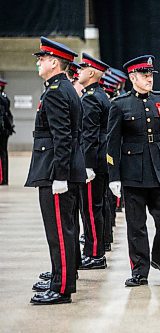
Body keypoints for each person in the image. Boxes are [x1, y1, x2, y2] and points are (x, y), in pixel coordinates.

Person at [107, 55, 160, 287]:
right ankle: (140, 270)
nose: (149, 79)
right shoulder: (120, 104)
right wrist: (114, 176)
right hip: (133, 173)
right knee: (136, 225)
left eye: (151, 74)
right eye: (144, 75)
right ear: (132, 77)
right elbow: (112, 143)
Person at [26, 37, 86, 304]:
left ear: (54, 62)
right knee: (64, 228)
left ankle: (61, 288)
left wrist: (60, 175)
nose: (39, 63)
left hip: (55, 171)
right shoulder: (62, 88)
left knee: (60, 231)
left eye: (42, 59)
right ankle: (60, 277)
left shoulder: (57, 91)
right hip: (58, 168)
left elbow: (62, 137)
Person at [77, 53, 111, 269]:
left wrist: (87, 164)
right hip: (100, 159)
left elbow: (89, 134)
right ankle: (92, 250)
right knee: (93, 207)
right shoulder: (99, 94)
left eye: (81, 69)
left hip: (94, 161)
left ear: (91, 73)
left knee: (90, 208)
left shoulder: (90, 97)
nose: (78, 73)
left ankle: (95, 254)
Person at [0, 79, 14, 185]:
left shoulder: (2, 99)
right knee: (4, 153)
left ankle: (2, 178)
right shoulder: (5, 98)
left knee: (2, 153)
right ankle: (4, 178)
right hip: (5, 130)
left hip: (2, 130)